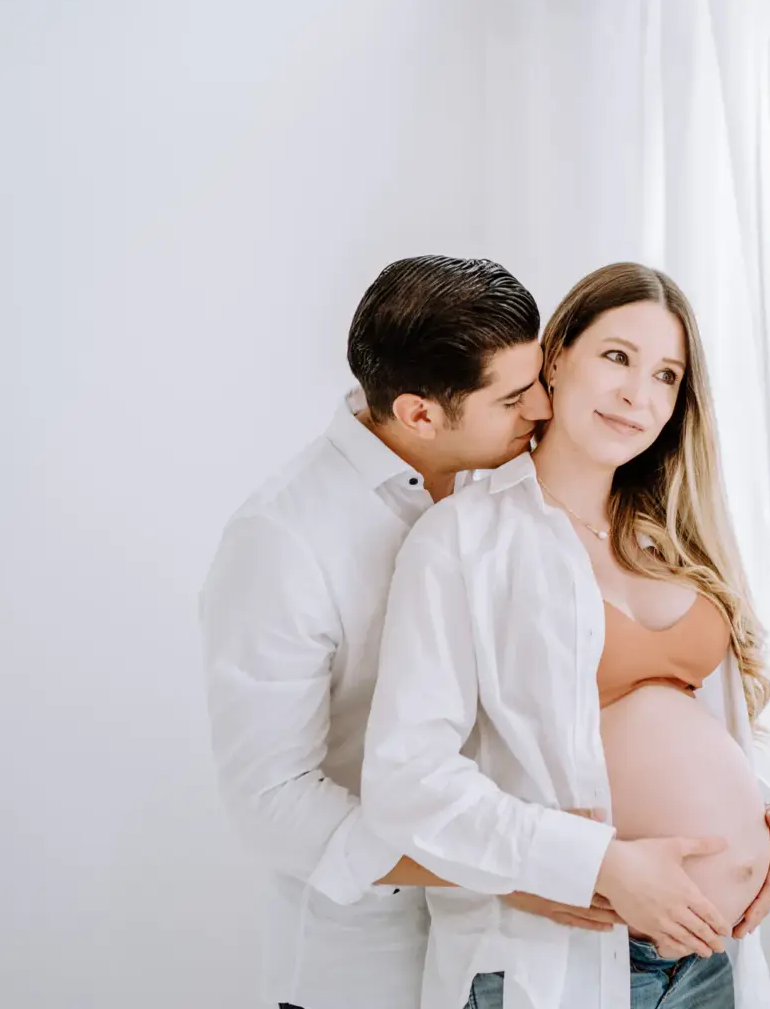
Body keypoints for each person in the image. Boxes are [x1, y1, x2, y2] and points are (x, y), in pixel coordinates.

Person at [362, 262, 770, 1009]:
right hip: (558, 964)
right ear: (556, 357)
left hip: (708, 959)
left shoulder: (674, 540)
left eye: (666, 375)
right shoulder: (465, 538)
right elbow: (407, 776)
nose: (638, 394)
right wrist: (594, 862)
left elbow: (679, 725)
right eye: (617, 357)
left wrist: (761, 812)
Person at [198, 255, 558, 1009]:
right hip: (363, 962)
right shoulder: (281, 540)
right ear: (419, 413)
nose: (543, 411)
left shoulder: (509, 483)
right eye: (516, 397)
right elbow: (270, 800)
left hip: (508, 946)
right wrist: (513, 862)